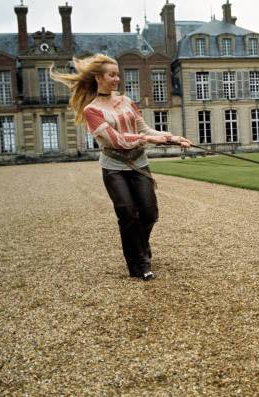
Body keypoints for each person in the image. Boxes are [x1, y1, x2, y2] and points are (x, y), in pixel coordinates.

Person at [51, 54, 191, 281]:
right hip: (114, 167)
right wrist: (156, 141)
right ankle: (139, 263)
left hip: (139, 164)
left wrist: (173, 137)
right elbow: (117, 140)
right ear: (98, 77)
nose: (117, 79)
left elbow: (145, 130)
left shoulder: (127, 101)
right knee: (127, 213)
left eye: (118, 74)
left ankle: (140, 248)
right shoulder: (92, 111)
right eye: (112, 75)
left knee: (149, 213)